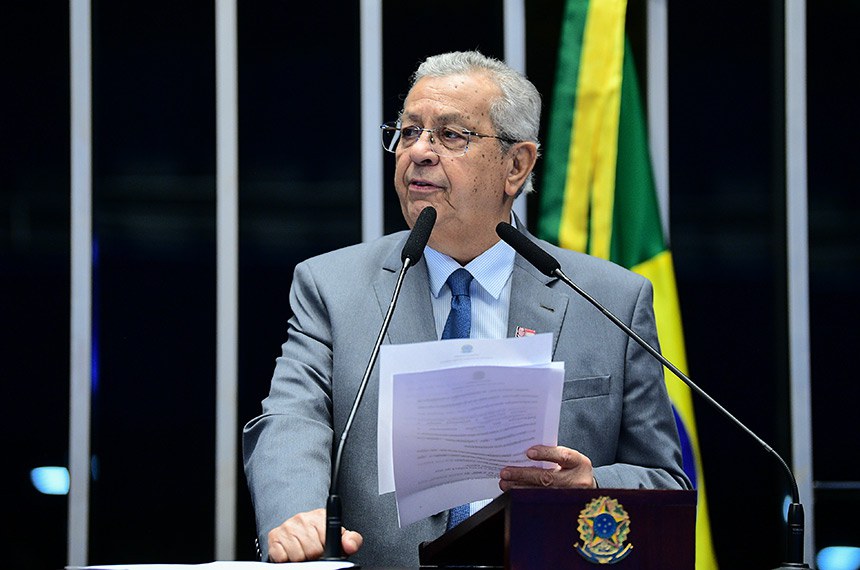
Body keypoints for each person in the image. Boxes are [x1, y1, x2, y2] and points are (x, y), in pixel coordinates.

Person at [242, 50, 690, 566]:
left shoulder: (610, 298)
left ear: (516, 165)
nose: (419, 152)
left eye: (451, 135)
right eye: (409, 132)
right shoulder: (332, 287)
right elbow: (292, 419)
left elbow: (665, 482)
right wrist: (296, 513)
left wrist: (589, 484)